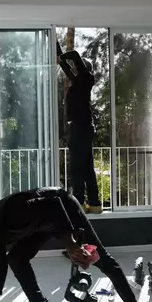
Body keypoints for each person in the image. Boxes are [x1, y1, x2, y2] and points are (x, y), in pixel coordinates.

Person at [0, 187, 147, 302]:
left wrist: (71, 243)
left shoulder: (12, 213)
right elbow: (0, 266)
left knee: (101, 258)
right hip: (41, 224)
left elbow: (55, 205)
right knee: (16, 259)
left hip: (63, 208)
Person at [58, 50, 101, 211]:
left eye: (77, 69)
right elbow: (67, 68)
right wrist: (59, 55)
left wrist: (63, 57)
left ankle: (79, 203)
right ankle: (94, 203)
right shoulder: (79, 82)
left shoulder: (87, 79)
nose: (74, 71)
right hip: (82, 128)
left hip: (81, 129)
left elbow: (75, 55)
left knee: (77, 167)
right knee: (87, 167)